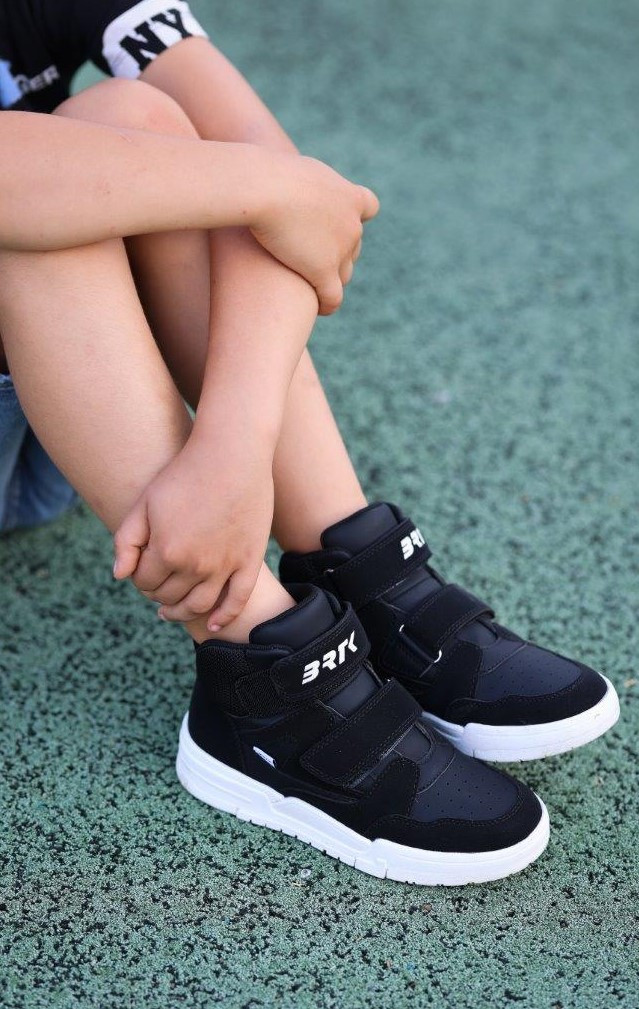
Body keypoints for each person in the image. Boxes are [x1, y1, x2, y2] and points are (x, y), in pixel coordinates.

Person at [0, 1, 619, 886]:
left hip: (51, 397)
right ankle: (260, 671)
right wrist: (269, 187)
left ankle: (347, 556)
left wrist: (235, 442)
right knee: (32, 199)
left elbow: (300, 193)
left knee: (131, 120)